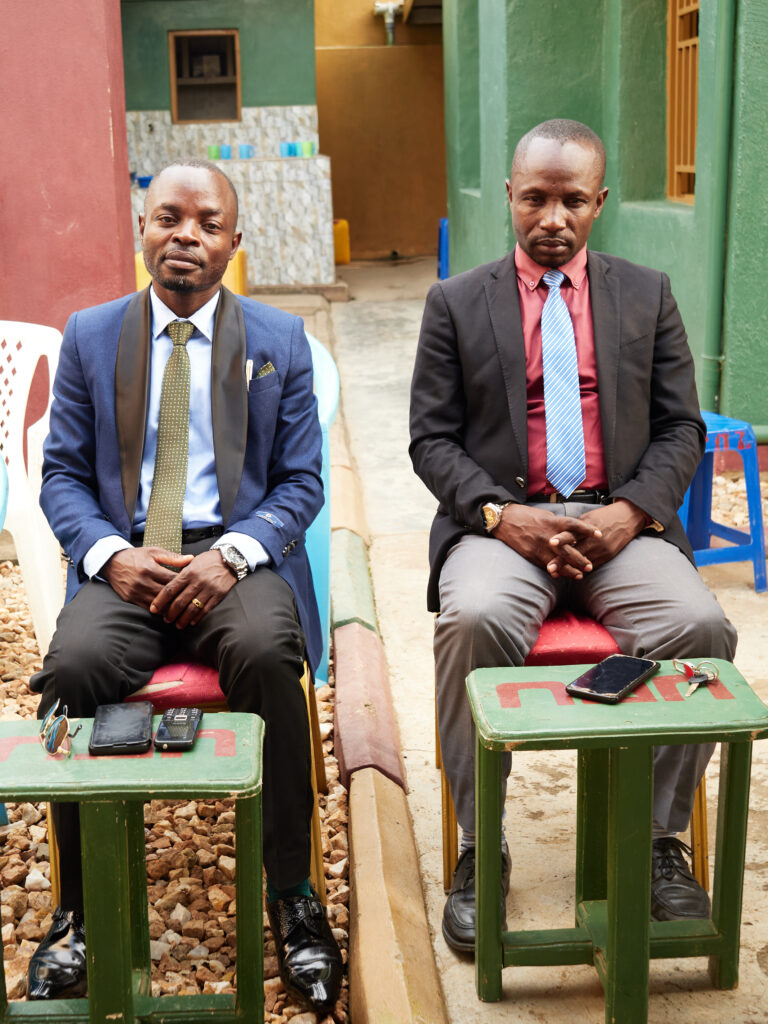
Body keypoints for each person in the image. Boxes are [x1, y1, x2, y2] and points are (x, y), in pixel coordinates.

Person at [409, 119, 737, 954]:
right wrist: (502, 515)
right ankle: (481, 848)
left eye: (572, 201)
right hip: (502, 528)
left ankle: (657, 840)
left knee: (700, 626)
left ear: (600, 202)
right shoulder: (456, 303)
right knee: (474, 618)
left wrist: (630, 512)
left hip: (616, 523)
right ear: (510, 196)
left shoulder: (647, 293)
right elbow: (431, 440)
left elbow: (681, 428)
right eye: (535, 198)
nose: (552, 217)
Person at [27, 159, 342, 1013]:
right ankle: (79, 908)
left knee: (267, 654)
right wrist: (110, 555)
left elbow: (301, 482)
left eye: (208, 224)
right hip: (130, 557)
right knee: (72, 669)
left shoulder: (279, 341)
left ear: (234, 241)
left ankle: (292, 892)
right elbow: (62, 476)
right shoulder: (91, 335)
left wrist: (234, 554)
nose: (186, 237)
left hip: (231, 558)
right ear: (143, 228)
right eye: (169, 217)